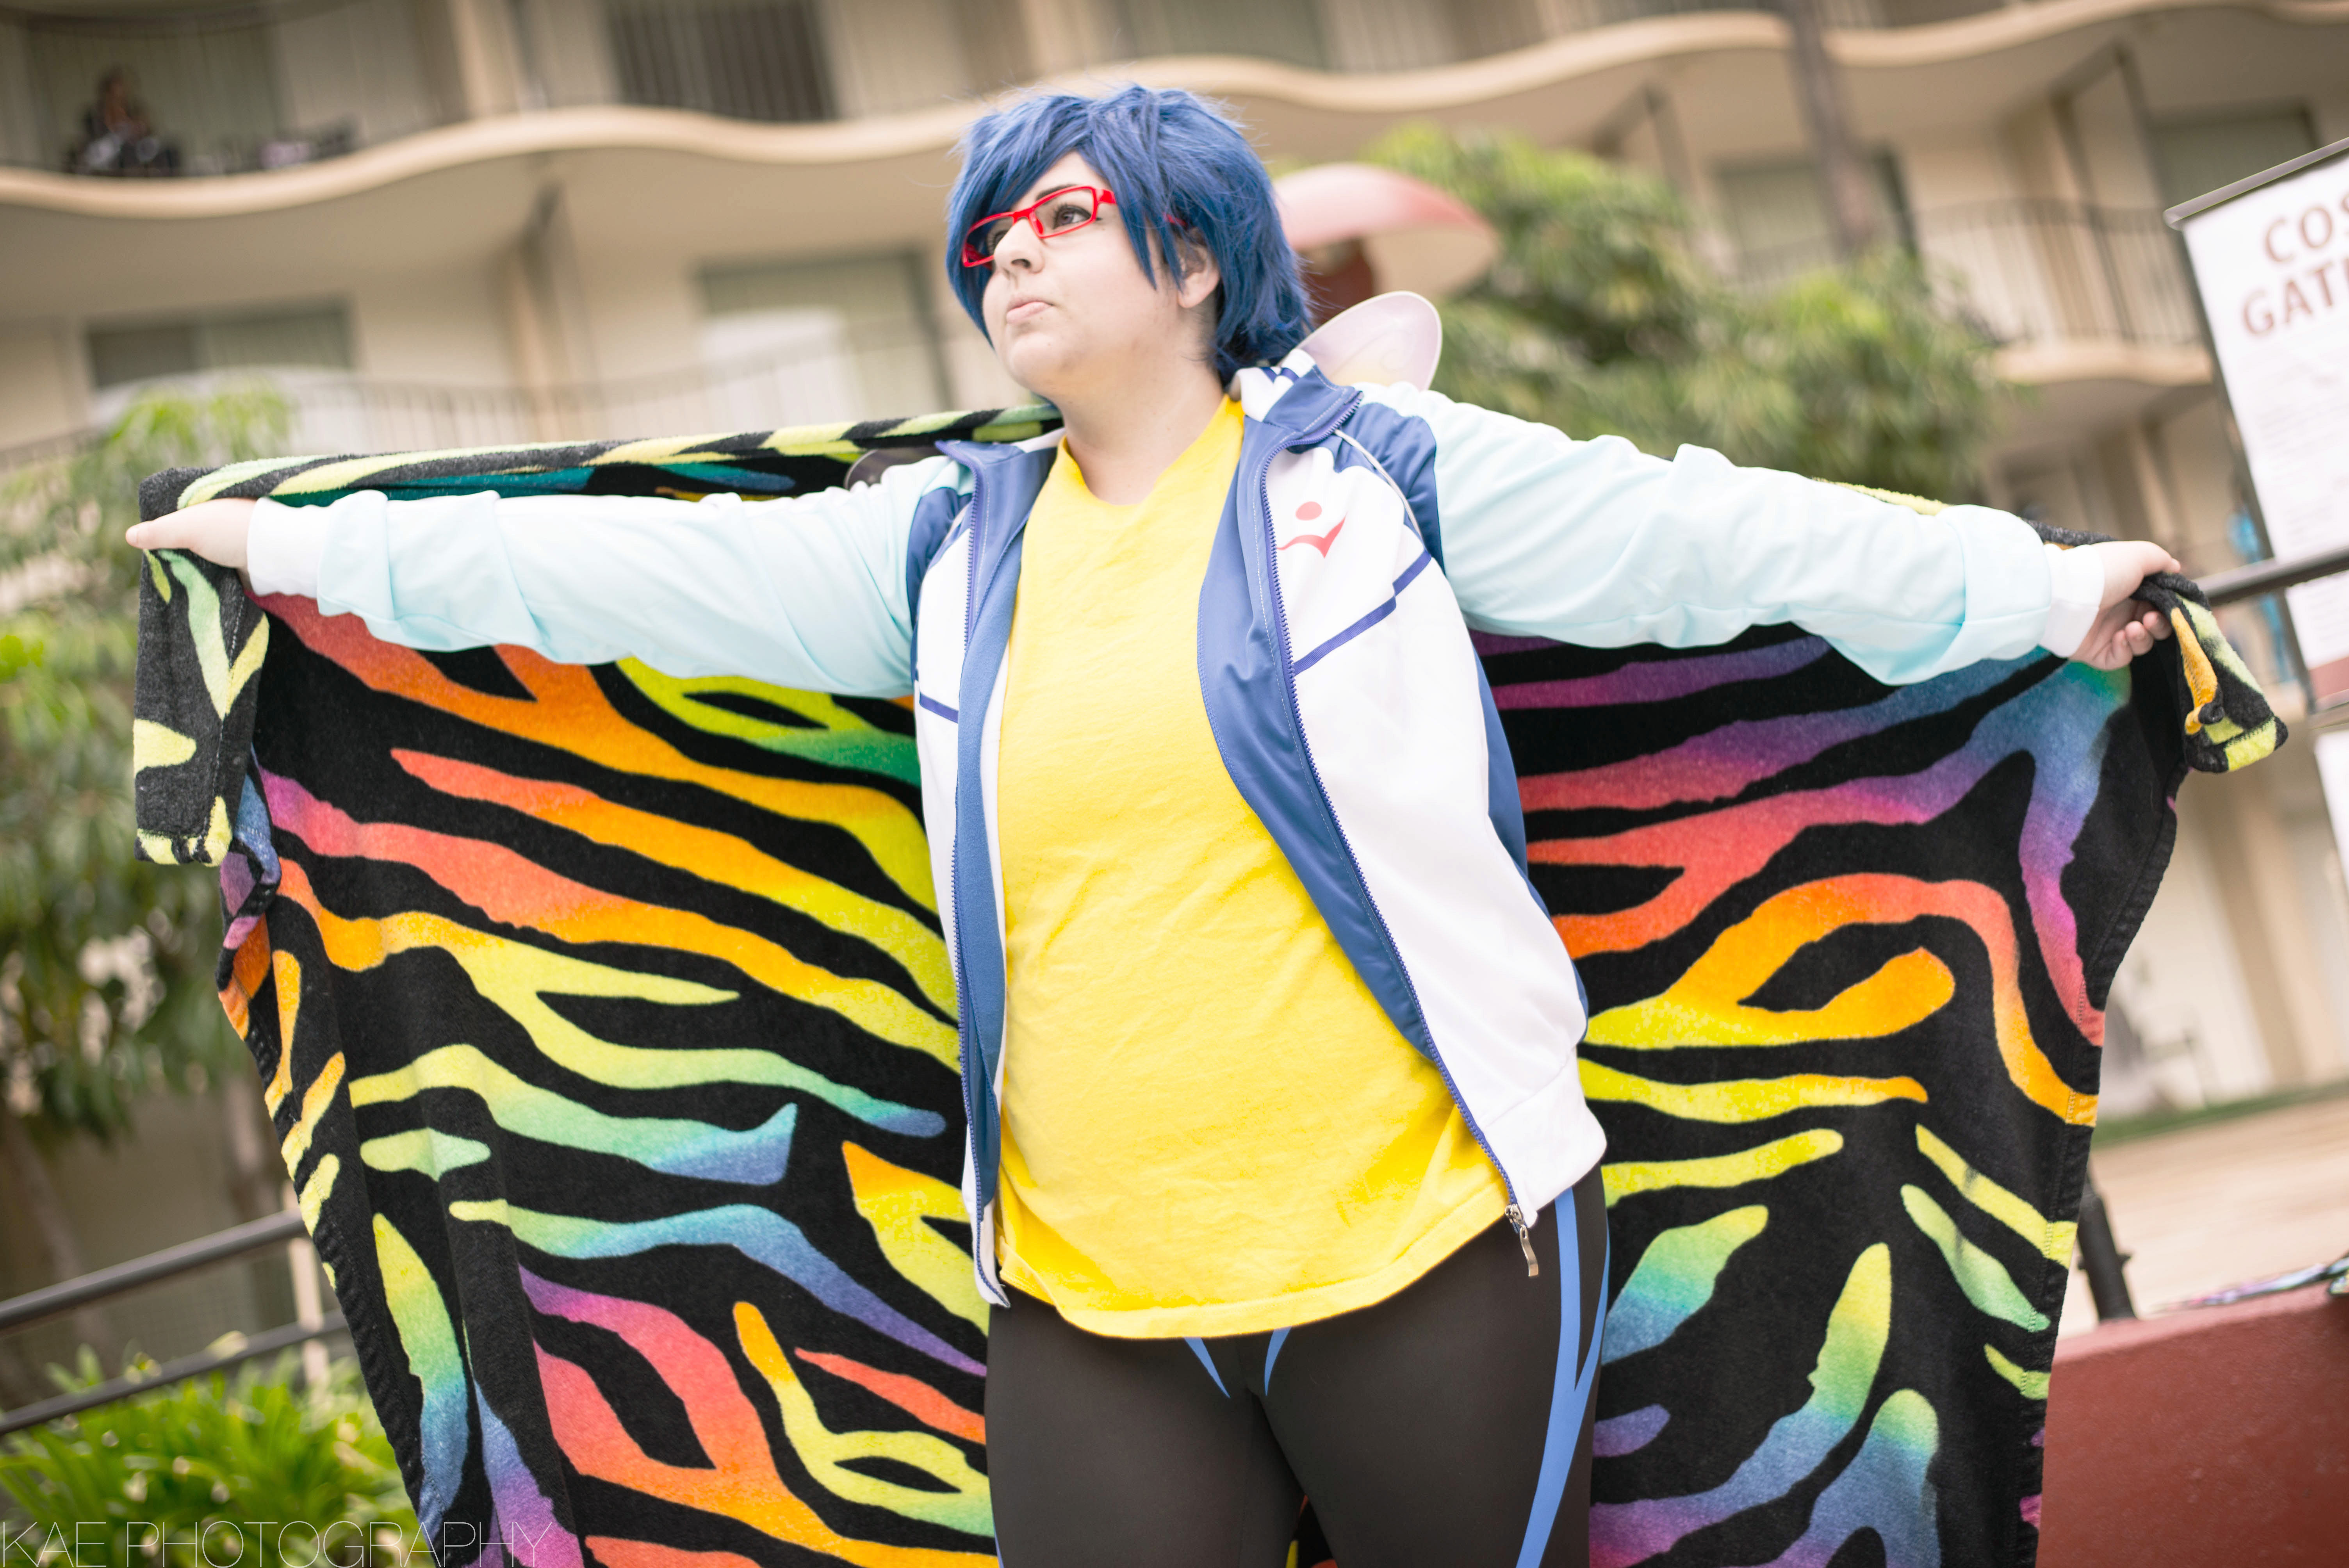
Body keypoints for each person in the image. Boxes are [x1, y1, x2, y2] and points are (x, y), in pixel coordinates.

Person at [131, 86, 2176, 1568]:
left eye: (1058, 215)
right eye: (986, 239)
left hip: (1427, 1252)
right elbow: (619, 578)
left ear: (1194, 260)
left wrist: (2033, 585)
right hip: (1091, 1306)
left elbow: (1709, 537)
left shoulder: (1377, 472)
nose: (1009, 255)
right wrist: (298, 551)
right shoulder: (942, 548)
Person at [75, 68, 176, 177]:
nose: (120, 100)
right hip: (108, 159)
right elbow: (95, 146)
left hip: (135, 154)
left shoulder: (134, 112)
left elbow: (148, 139)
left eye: (124, 95)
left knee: (169, 153)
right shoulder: (94, 116)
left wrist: (141, 128)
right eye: (115, 96)